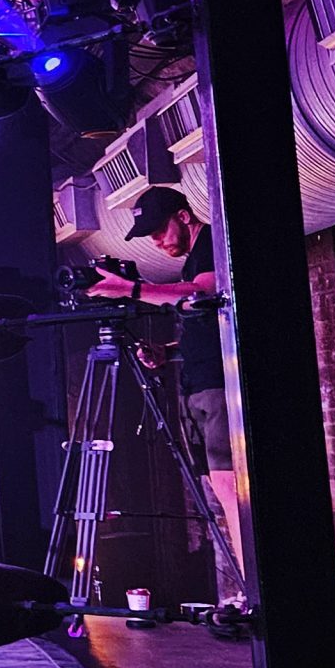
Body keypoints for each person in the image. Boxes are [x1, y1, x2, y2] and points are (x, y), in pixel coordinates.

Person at [90, 184, 243, 604]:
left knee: (233, 490)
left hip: (217, 386)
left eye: (160, 230)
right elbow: (207, 326)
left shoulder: (212, 244)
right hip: (197, 384)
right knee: (222, 491)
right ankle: (253, 589)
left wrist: (130, 290)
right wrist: (168, 351)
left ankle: (257, 593)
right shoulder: (192, 257)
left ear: (184, 216)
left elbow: (204, 294)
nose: (157, 241)